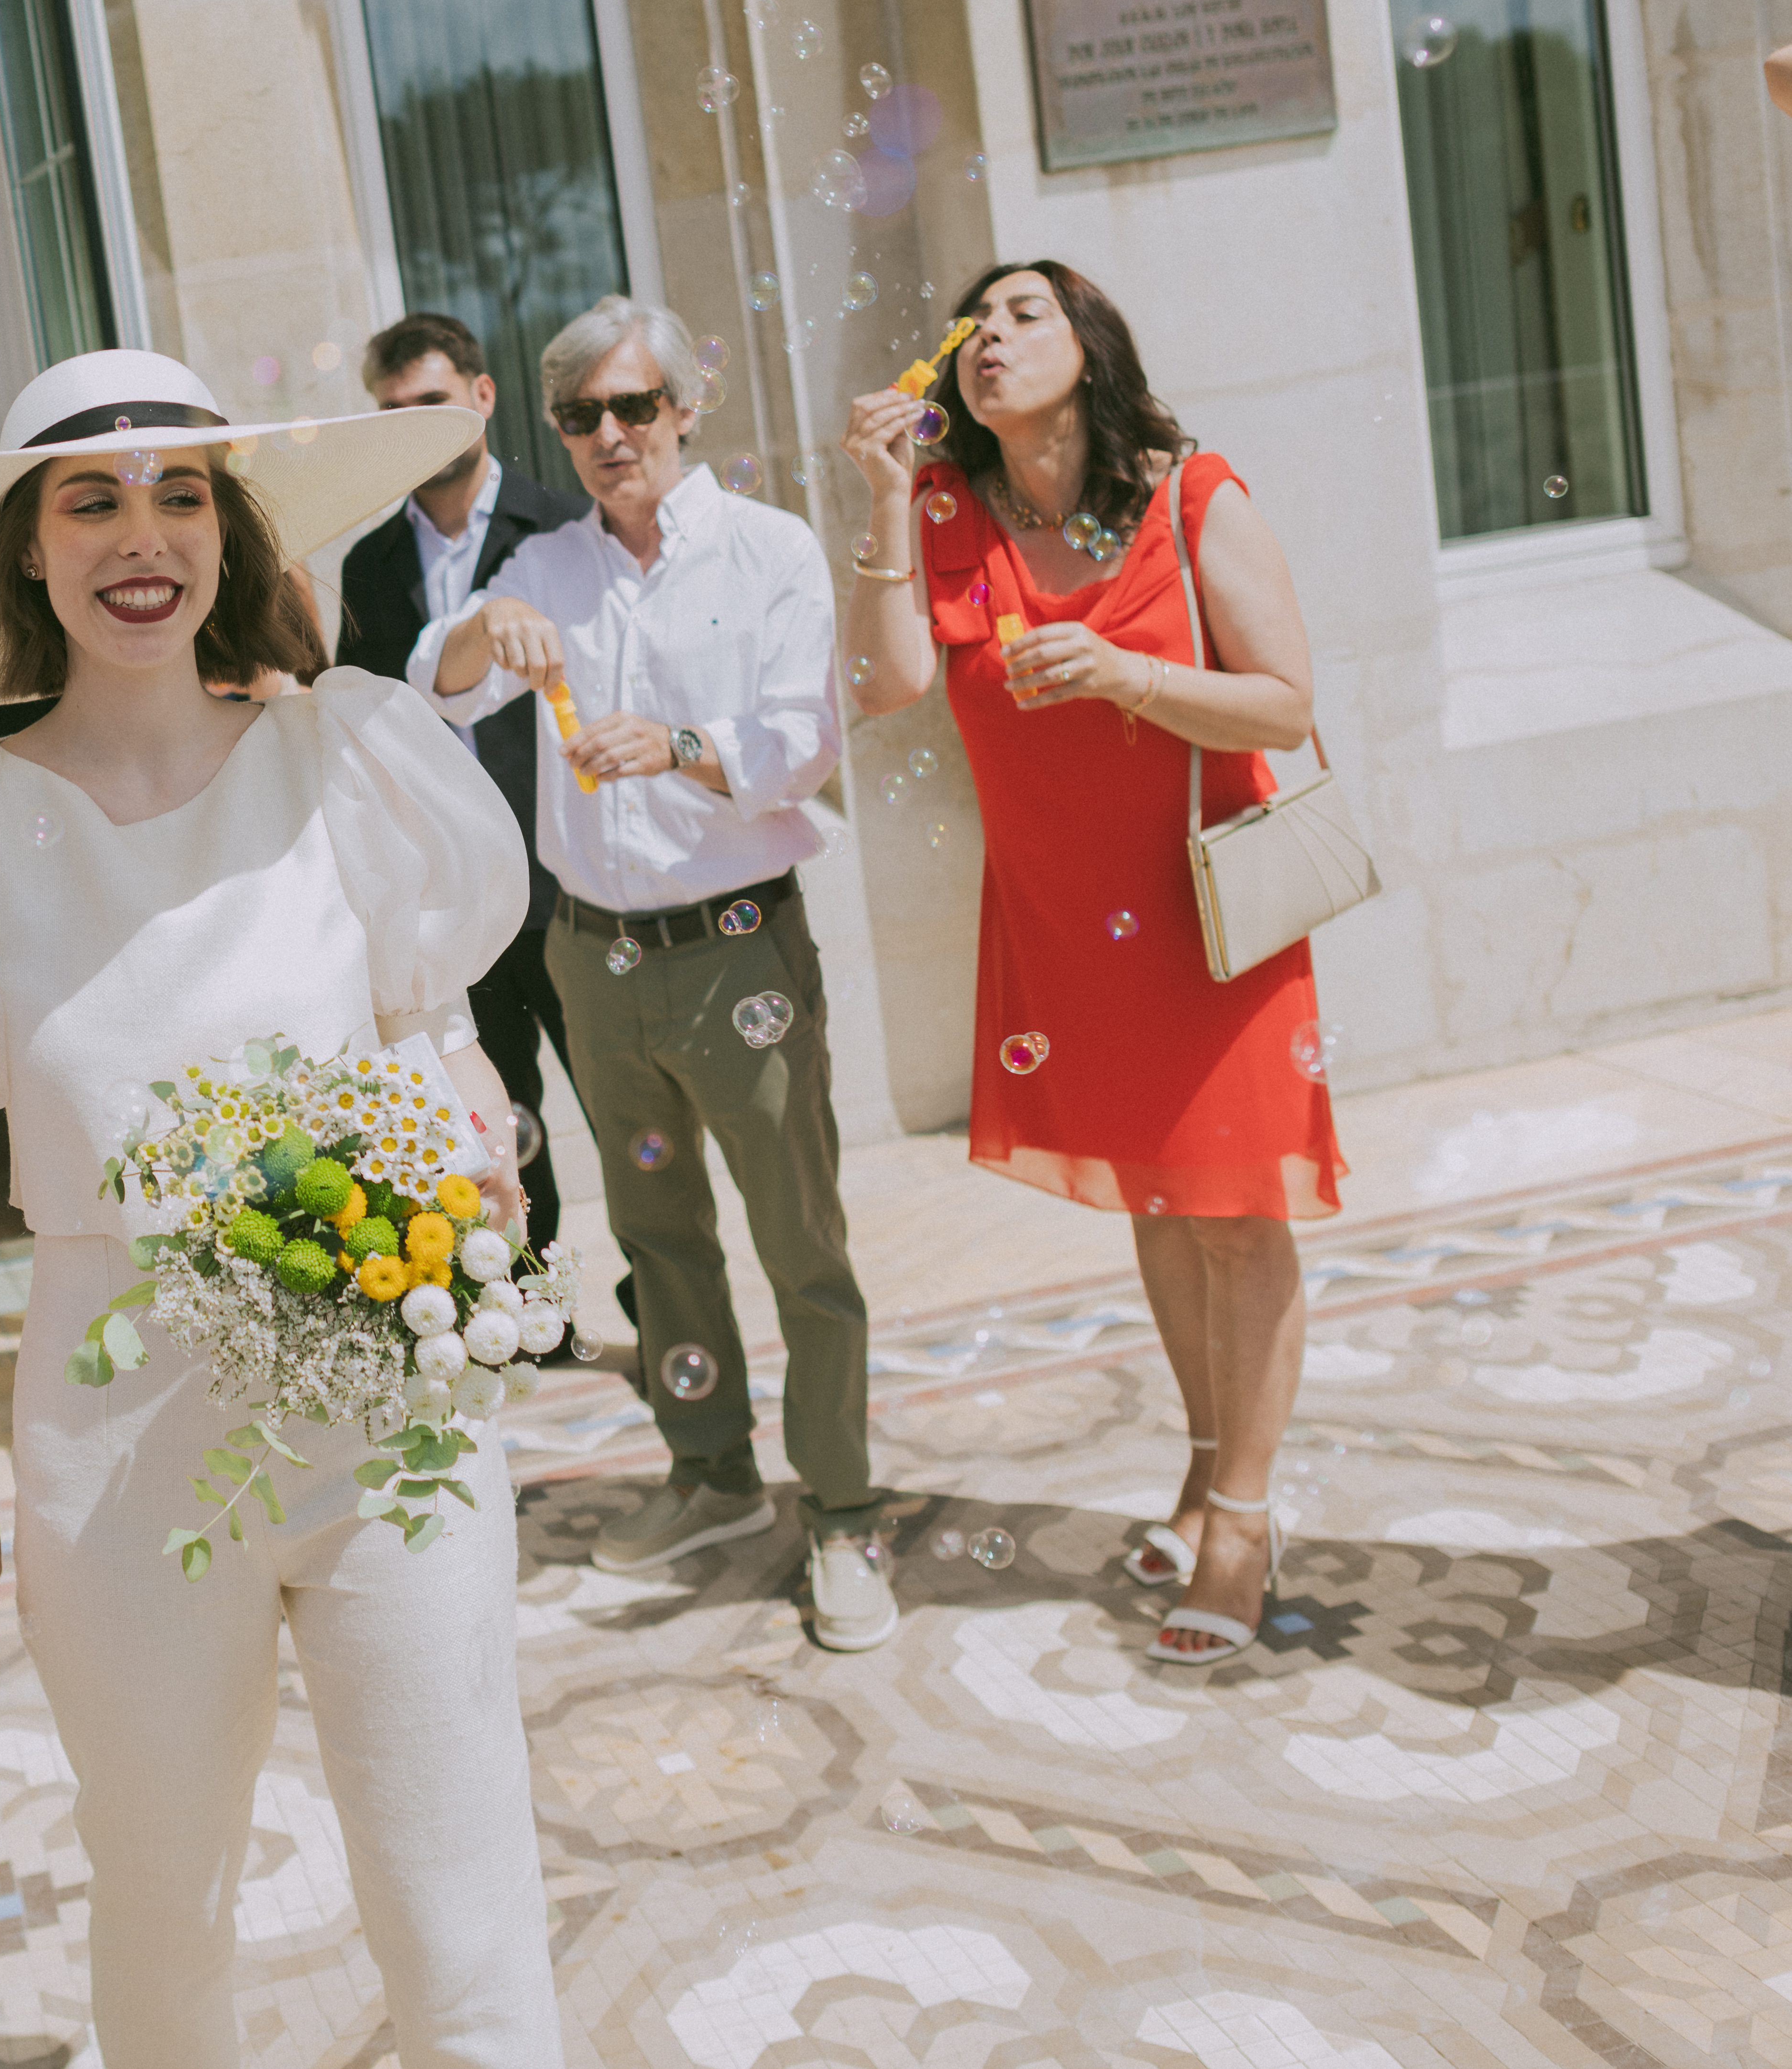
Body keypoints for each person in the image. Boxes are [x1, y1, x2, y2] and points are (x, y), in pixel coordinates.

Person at [0, 349, 561, 2069]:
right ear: (30, 553)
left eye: (182, 493)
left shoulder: (344, 753)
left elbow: (430, 1028)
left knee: (457, 1887)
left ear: (229, 531)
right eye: (94, 498)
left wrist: (469, 1135)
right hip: (114, 1439)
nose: (145, 535)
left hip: (379, 1380)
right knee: (162, 1883)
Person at [837, 259, 1342, 1669]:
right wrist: (884, 496)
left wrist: (1128, 676)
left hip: (1204, 910)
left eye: (1024, 313)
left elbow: (1288, 701)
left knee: (1238, 1210)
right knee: (1162, 1202)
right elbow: (881, 684)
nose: (991, 337)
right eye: (975, 321)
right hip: (1066, 923)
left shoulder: (1190, 494)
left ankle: (1241, 1517)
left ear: (1087, 347)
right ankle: (1200, 1463)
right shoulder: (948, 511)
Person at [412, 295, 889, 1651]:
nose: (610, 434)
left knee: (799, 1236)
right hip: (594, 954)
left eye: (633, 406)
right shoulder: (546, 568)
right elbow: (431, 686)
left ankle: (844, 1512)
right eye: (581, 416)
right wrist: (474, 636)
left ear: (685, 409)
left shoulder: (769, 549)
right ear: (557, 434)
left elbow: (804, 738)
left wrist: (674, 746)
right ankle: (712, 1476)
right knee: (655, 1233)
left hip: (739, 945)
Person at [339, 312, 594, 1246]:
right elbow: (357, 725)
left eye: (433, 403)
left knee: (618, 1107)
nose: (415, 426)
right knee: (495, 1121)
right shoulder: (368, 567)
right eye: (392, 413)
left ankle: (660, 1311)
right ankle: (537, 1312)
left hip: (568, 879)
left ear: (482, 398)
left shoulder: (565, 528)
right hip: (448, 893)